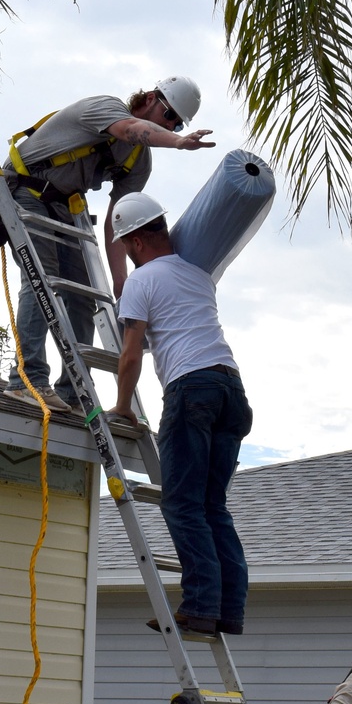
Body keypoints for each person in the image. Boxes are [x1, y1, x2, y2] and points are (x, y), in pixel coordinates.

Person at [2, 77, 215, 413]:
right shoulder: (105, 108)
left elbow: (120, 223)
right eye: (169, 114)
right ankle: (27, 380)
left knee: (83, 296)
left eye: (177, 122)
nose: (171, 123)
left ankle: (74, 390)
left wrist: (120, 283)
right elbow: (130, 128)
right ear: (148, 98)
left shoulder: (138, 161)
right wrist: (177, 142)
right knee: (41, 279)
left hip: (65, 205)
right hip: (26, 188)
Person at [106, 192, 253, 638]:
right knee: (213, 506)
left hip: (192, 389)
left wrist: (122, 405)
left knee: (182, 504)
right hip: (232, 390)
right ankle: (229, 610)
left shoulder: (142, 280)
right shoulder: (197, 274)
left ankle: (201, 606)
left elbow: (131, 354)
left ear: (134, 242)